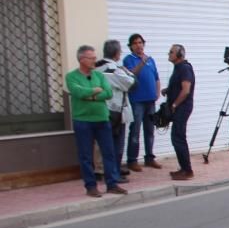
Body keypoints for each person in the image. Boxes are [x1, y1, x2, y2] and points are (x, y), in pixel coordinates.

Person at [66, 45, 127, 198]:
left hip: (102, 119)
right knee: (86, 155)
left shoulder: (99, 75)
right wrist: (94, 91)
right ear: (82, 59)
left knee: (109, 152)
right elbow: (77, 92)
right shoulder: (71, 76)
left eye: (94, 57)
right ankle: (91, 186)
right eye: (91, 58)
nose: (94, 60)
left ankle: (112, 183)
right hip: (83, 120)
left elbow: (108, 93)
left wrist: (90, 95)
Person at [96, 39, 135, 180]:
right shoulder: (115, 69)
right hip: (116, 111)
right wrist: (128, 72)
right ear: (117, 53)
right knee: (117, 144)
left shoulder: (96, 67)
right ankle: (114, 173)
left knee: (103, 144)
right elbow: (131, 83)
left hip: (100, 110)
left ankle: (104, 170)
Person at [123, 33, 162, 172]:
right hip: (137, 101)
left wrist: (157, 92)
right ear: (131, 46)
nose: (139, 45)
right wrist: (142, 62)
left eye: (141, 42)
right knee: (135, 130)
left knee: (150, 130)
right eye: (135, 43)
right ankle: (132, 160)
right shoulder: (129, 59)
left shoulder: (151, 60)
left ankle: (149, 158)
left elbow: (156, 77)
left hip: (150, 100)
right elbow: (131, 74)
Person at [164, 44, 195, 180]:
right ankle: (183, 168)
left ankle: (187, 170)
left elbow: (186, 89)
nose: (169, 54)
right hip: (179, 107)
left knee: (178, 137)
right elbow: (178, 86)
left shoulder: (184, 68)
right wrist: (168, 90)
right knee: (177, 137)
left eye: (171, 52)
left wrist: (175, 104)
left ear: (179, 55)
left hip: (182, 107)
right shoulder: (178, 68)